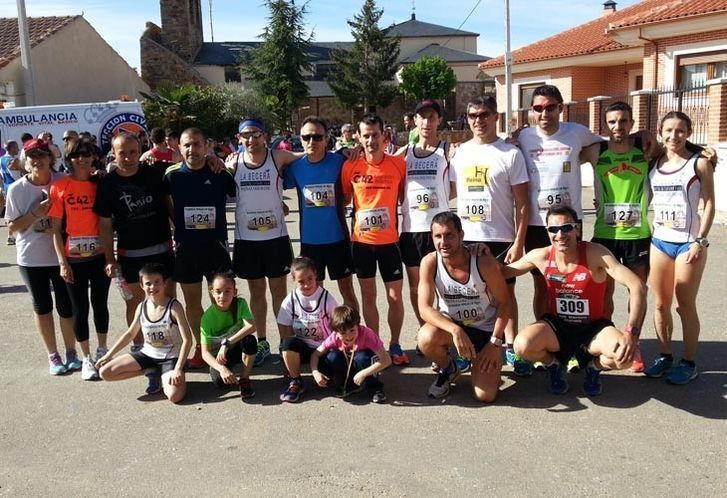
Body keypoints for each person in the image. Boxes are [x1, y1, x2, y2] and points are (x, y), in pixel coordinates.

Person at [503, 206, 647, 396]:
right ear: (547, 232)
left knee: (625, 357)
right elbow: (503, 272)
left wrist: (631, 333)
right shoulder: (542, 256)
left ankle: (594, 368)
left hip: (593, 329)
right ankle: (554, 365)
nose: (560, 235)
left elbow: (637, 286)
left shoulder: (595, 253)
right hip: (558, 329)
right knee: (522, 346)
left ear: (577, 228)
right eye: (553, 230)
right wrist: (473, 255)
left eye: (566, 228)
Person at [516, 84, 604, 372]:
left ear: (560, 108)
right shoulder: (523, 137)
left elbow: (609, 143)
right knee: (542, 284)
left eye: (550, 107)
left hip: (568, 224)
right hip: (536, 224)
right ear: (531, 112)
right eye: (539, 108)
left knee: (574, 285)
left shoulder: (576, 132)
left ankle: (576, 343)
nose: (545, 113)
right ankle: (546, 337)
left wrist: (642, 137)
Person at [450, 96, 531, 375]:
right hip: (466, 237)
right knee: (469, 295)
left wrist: (519, 242)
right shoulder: (460, 153)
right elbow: (448, 191)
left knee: (505, 294)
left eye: (484, 115)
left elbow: (522, 203)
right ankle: (468, 347)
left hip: (500, 237)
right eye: (472, 115)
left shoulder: (510, 153)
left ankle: (511, 347)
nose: (478, 120)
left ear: (496, 117)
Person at [581, 101, 657, 372]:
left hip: (638, 233)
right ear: (605, 125)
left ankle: (633, 343)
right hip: (605, 233)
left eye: (623, 121)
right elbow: (560, 151)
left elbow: (677, 147)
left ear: (631, 123)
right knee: (605, 292)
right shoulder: (595, 151)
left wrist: (701, 150)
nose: (618, 127)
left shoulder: (645, 149)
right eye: (612, 122)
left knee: (636, 290)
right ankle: (609, 340)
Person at [644, 111, 715, 385]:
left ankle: (688, 361)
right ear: (661, 132)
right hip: (660, 241)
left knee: (684, 306)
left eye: (680, 131)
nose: (674, 136)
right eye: (669, 130)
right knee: (660, 304)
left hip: (688, 243)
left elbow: (709, 203)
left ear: (689, 132)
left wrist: (701, 239)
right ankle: (664, 356)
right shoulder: (654, 162)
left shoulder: (700, 163)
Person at [94, 133, 176, 356]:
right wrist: (109, 259)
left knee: (168, 301)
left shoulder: (154, 173)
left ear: (140, 151)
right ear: (114, 154)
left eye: (132, 152)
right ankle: (141, 346)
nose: (128, 157)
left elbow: (169, 205)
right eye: (122, 153)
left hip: (162, 249)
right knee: (135, 304)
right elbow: (104, 225)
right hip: (130, 255)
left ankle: (171, 346)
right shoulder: (107, 184)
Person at [229, 118, 300, 367]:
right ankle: (261, 342)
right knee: (256, 291)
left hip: (275, 238)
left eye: (256, 134)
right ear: (238, 138)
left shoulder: (277, 158)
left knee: (279, 292)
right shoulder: (233, 163)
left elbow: (307, 155)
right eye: (246, 135)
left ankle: (285, 343)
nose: (251, 140)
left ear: (265, 136)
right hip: (247, 239)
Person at [163, 128, 237, 369]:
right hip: (187, 249)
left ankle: (226, 344)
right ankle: (200, 346)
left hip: (216, 247)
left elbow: (240, 192)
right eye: (186, 145)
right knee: (192, 301)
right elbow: (167, 204)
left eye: (196, 144)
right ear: (178, 147)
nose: (191, 150)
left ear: (207, 146)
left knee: (223, 299)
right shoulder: (172, 175)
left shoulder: (220, 172)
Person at [417, 212, 510, 401]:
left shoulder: (482, 262)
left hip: (485, 332)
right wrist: (455, 330)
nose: (443, 241)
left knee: (485, 396)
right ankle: (449, 368)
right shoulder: (430, 262)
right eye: (438, 236)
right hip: (453, 328)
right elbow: (424, 308)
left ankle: (479, 360)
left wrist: (495, 343)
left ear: (461, 235)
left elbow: (505, 303)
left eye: (449, 235)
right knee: (425, 338)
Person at [4, 138, 78, 375]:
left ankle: (71, 352)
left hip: (61, 257)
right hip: (31, 258)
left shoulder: (63, 181)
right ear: (26, 161)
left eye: (41, 156)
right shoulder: (17, 189)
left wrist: (58, 224)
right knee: (43, 308)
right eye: (32, 157)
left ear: (50, 158)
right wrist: (36, 213)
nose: (37, 161)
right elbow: (12, 228)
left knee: (66, 307)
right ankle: (53, 356)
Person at [341, 113, 408, 365]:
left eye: (375, 135)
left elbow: (402, 198)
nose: (371, 141)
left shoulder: (398, 164)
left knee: (395, 297)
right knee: (368, 296)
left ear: (384, 136)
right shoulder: (350, 166)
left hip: (390, 242)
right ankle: (375, 343)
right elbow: (346, 199)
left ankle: (395, 343)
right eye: (366, 136)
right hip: (362, 243)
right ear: (358, 137)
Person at [49, 138, 111, 381]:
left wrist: (110, 257)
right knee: (79, 308)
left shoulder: (101, 183)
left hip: (98, 256)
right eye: (77, 155)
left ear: (94, 157)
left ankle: (103, 350)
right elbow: (55, 228)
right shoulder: (60, 185)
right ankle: (86, 358)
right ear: (69, 159)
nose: (83, 159)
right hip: (73, 258)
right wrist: (62, 262)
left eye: (87, 154)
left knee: (100, 303)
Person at [283, 115, 358, 309]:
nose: (311, 142)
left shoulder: (340, 161)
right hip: (310, 242)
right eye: (306, 137)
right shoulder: (295, 168)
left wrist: (350, 150)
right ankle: (320, 337)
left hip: (337, 240)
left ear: (326, 139)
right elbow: (270, 185)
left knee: (348, 293)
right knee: (314, 296)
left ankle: (354, 335)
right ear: (300, 139)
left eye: (317, 137)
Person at [95, 263, 192, 402]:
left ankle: (173, 375)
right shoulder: (141, 307)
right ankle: (150, 370)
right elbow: (130, 334)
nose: (152, 287)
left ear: (164, 283)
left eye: (157, 282)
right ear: (142, 286)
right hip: (148, 354)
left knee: (174, 396)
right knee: (105, 373)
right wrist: (108, 355)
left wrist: (178, 368)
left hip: (170, 357)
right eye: (148, 284)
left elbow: (187, 340)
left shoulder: (174, 307)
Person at [397, 100, 451, 332]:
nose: (426, 122)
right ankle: (425, 331)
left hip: (440, 231)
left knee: (445, 286)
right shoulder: (403, 154)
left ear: (439, 120)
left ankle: (446, 333)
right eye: (422, 117)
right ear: (415, 121)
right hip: (412, 231)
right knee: (416, 287)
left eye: (431, 117)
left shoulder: (448, 150)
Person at [277, 256, 339, 402]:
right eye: (301, 281)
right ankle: (296, 381)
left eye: (310, 279)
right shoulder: (290, 300)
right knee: (287, 344)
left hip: (324, 349)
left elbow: (338, 327)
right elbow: (285, 330)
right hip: (302, 347)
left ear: (316, 275)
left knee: (329, 381)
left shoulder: (326, 298)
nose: (306, 284)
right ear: (293, 280)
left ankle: (323, 371)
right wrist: (285, 359)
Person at [310, 305, 391, 403]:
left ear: (358, 326)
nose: (348, 336)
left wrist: (364, 373)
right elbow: (316, 354)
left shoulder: (367, 335)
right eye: (343, 333)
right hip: (349, 360)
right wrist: (315, 372)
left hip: (366, 361)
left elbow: (386, 360)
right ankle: (348, 385)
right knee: (332, 356)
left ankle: (375, 389)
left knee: (362, 358)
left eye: (352, 330)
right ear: (335, 332)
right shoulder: (334, 337)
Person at [200, 271, 258, 400]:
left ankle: (244, 378)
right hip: (220, 357)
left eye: (227, 291)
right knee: (220, 383)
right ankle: (225, 369)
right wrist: (221, 369)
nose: (222, 296)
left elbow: (251, 326)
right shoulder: (207, 318)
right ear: (212, 293)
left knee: (250, 341)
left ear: (235, 291)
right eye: (218, 291)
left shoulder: (240, 303)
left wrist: (227, 343)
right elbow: (205, 353)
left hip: (234, 348)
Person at [1, 140, 22, 245]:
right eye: (16, 147)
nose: (18, 149)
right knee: (15, 212)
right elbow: (16, 176)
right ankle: (13, 235)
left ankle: (11, 235)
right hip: (14, 187)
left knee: (10, 212)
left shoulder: (1, 159)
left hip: (6, 186)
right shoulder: (12, 160)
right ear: (12, 148)